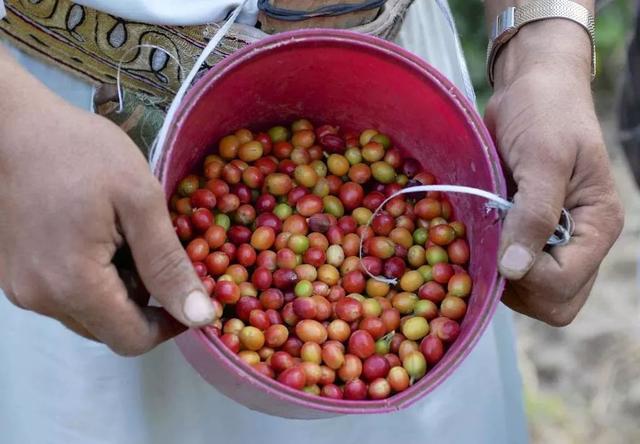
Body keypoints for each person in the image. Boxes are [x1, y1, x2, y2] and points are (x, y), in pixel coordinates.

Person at [0, 0, 623, 443]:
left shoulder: (389, 227)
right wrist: (13, 131)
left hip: (389, 85)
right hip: (58, 152)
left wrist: (544, 42)